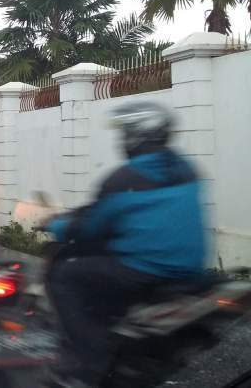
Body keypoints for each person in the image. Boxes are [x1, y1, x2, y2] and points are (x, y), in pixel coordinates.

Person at [44, 101, 207, 387]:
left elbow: (90, 228)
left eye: (125, 133)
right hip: (191, 269)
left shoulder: (125, 178)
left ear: (136, 135)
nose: (122, 140)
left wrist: (57, 226)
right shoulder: (186, 168)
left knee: (63, 276)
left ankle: (92, 362)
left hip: (144, 271)